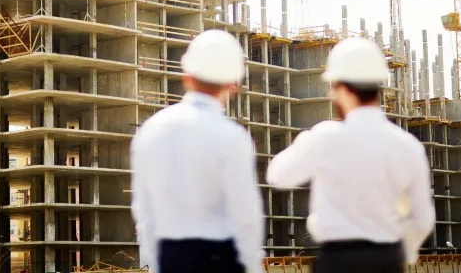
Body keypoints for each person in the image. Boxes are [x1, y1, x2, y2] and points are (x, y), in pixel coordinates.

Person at [266, 37, 435, 273]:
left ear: (341, 88)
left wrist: (308, 140)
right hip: (387, 261)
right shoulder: (408, 146)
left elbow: (278, 175)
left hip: (337, 262)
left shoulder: (325, 138)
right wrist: (398, 254)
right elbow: (423, 220)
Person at [131, 29, 264, 273]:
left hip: (171, 256)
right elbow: (246, 217)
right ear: (232, 84)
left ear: (187, 76)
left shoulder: (151, 131)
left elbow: (144, 210)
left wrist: (157, 263)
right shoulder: (233, 137)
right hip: (221, 258)